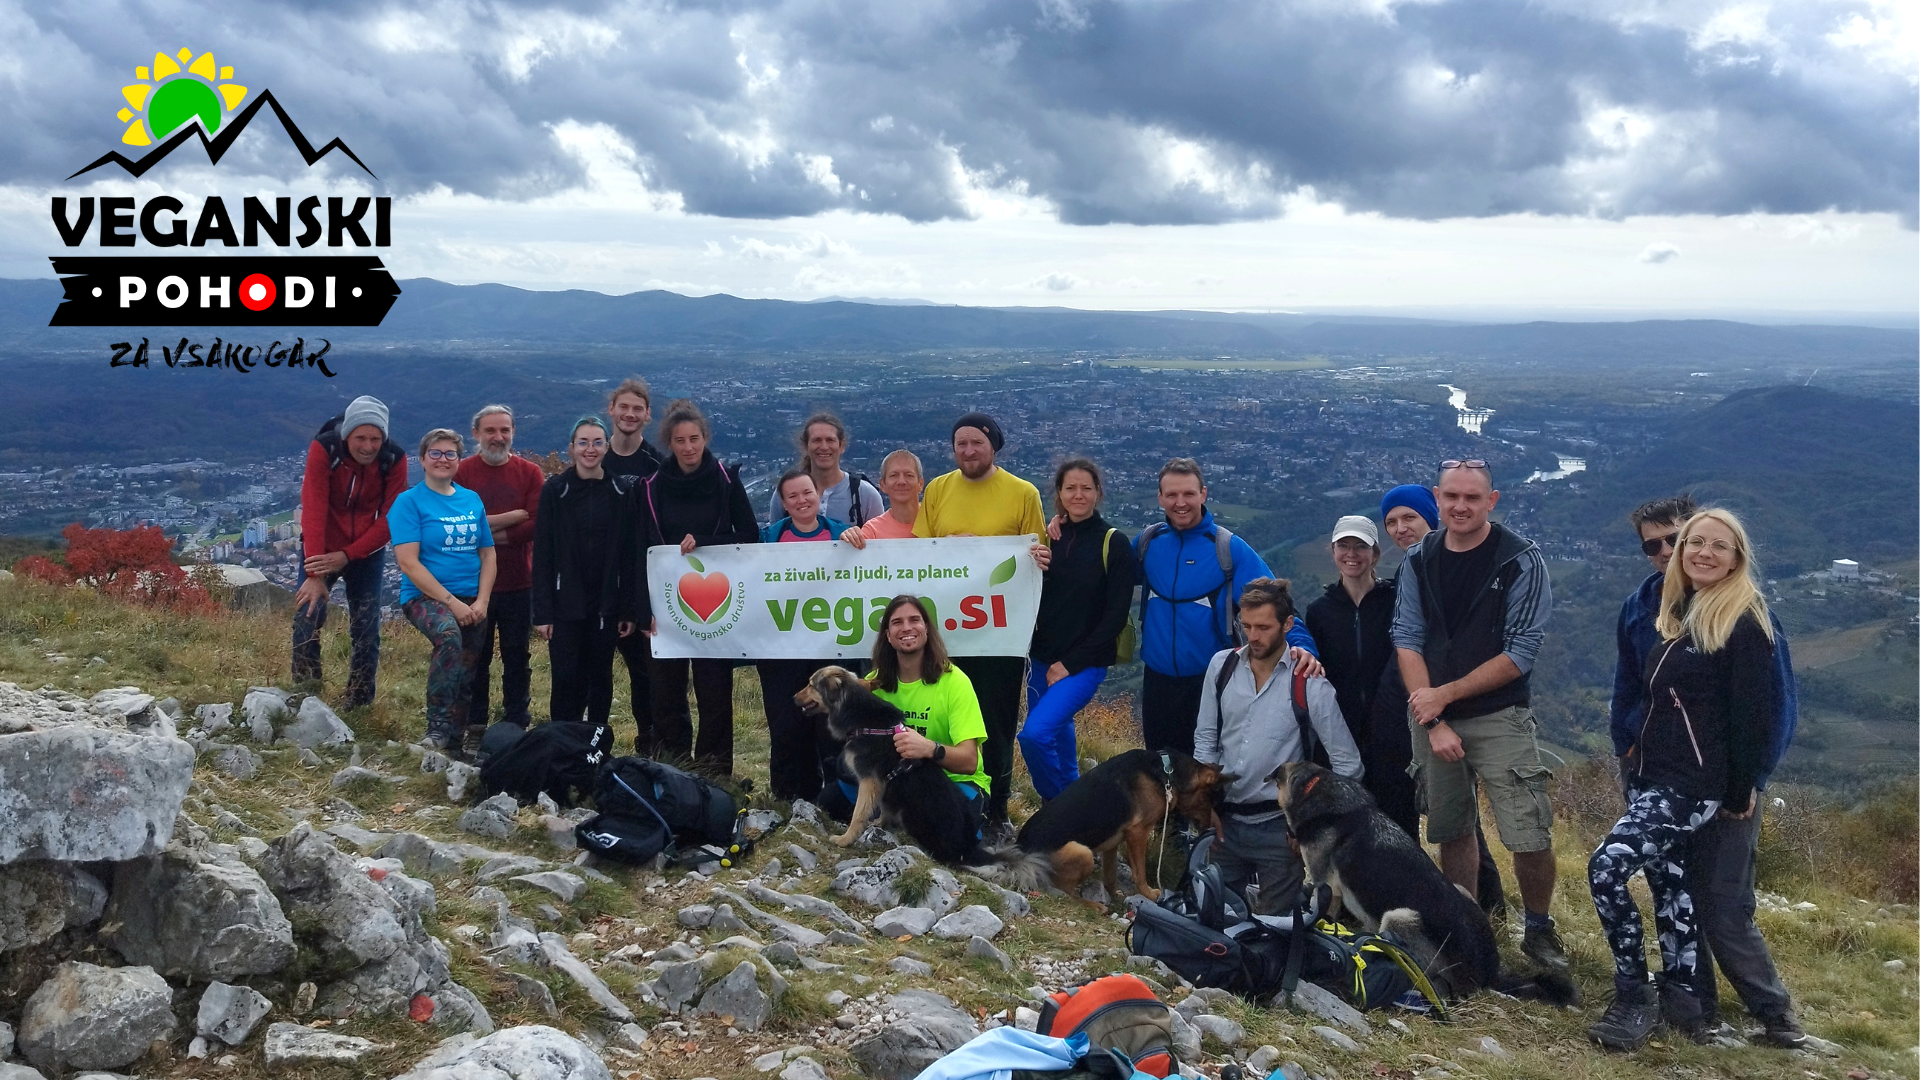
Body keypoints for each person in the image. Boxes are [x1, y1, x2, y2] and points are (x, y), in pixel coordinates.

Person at [1587, 507, 1787, 1050]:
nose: (1699, 551)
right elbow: (1633, 690)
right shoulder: (1667, 609)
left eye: (1715, 545)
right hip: (1653, 776)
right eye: (1691, 544)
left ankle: (1634, 991)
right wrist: (1627, 751)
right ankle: (1688, 1007)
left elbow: (1760, 713)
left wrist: (1745, 786)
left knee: (1609, 869)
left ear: (1737, 558)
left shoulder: (1743, 619)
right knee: (1673, 892)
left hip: (1695, 786)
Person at [1393, 460, 1565, 970]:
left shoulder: (1519, 561)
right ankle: (1465, 928)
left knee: (1528, 831)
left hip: (1498, 714)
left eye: (1472, 497)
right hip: (1431, 714)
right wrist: (1433, 718)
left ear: (1492, 500)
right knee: (1451, 827)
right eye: (1451, 497)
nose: (1460, 507)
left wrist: (1442, 697)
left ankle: (1537, 929)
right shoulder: (1419, 559)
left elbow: (1520, 653)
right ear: (1437, 497)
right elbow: (1406, 638)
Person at [1376, 484, 1511, 920]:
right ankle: (1458, 904)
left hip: (1443, 704)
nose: (1400, 529)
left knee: (1457, 815)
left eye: (1409, 519)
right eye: (1392, 522)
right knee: (1444, 812)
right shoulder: (1411, 573)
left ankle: (1484, 906)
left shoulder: (1444, 573)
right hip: (1408, 703)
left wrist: (1442, 705)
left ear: (1431, 518)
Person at [913, 411, 1049, 829]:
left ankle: (998, 808)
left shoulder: (1022, 493)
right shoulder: (937, 489)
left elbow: (1036, 555)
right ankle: (947, 797)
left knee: (996, 721)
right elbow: (919, 552)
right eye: (961, 444)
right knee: (946, 715)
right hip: (948, 631)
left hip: (999, 634)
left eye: (977, 443)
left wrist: (1042, 558)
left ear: (994, 446)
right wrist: (946, 546)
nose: (968, 451)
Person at [1195, 578, 1363, 916]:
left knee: (1275, 931)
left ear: (1288, 624)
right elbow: (1206, 739)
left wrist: (1307, 825)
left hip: (1279, 831)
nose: (1252, 637)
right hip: (1223, 823)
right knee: (1211, 920)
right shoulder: (1221, 666)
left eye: (1263, 627)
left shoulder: (1310, 685)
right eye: (1246, 626)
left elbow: (1349, 766)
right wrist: (1202, 806)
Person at [1137, 458, 1317, 757]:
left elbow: (1279, 606)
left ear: (1203, 494)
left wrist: (1303, 648)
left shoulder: (1227, 548)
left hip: (1214, 681)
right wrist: (1061, 527)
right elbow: (1101, 572)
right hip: (1157, 680)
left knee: (1209, 771)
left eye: (1188, 494)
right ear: (1160, 498)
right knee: (1161, 768)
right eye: (1171, 495)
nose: (1180, 503)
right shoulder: (1148, 543)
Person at [637, 399, 758, 777]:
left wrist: (705, 540)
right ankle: (674, 766)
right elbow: (638, 549)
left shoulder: (725, 480)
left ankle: (715, 771)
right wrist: (642, 608)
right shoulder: (653, 488)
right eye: (679, 440)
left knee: (715, 692)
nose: (688, 447)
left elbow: (749, 535)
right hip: (667, 603)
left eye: (694, 439)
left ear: (705, 438)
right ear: (668, 443)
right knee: (667, 692)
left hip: (717, 602)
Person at [1020, 458, 1137, 801]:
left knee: (1034, 735)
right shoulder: (1050, 537)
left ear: (1099, 493)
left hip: (1084, 664)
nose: (1078, 494)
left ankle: (1059, 808)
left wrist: (1070, 664)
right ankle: (1070, 795)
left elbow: (1115, 616)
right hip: (1041, 658)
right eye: (1070, 488)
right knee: (1056, 733)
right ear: (1058, 494)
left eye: (1086, 488)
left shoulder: (1113, 543)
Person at [292, 395, 406, 708]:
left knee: (367, 625)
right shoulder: (326, 450)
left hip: (365, 551)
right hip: (321, 545)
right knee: (307, 614)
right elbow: (313, 507)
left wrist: (349, 554)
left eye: (375, 439)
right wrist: (314, 573)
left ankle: (359, 701)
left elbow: (391, 517)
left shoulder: (394, 458)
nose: (369, 446)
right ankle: (306, 693)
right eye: (361, 438)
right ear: (347, 436)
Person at [389, 428, 496, 757]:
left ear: (459, 460)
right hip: (425, 598)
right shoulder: (408, 503)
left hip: (471, 598)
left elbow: (488, 554)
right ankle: (436, 728)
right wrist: (452, 604)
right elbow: (408, 563)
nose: (443, 459)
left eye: (450, 453)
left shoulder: (471, 500)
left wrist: (481, 601)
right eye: (435, 453)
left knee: (468, 668)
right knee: (448, 637)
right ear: (422, 459)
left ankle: (454, 743)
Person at [1303, 515, 1411, 831]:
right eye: (1344, 546)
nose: (1352, 554)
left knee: (1397, 822)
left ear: (1375, 554)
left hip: (1392, 729)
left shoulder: (1395, 601)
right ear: (1333, 551)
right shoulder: (1320, 611)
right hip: (1339, 731)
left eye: (1360, 547)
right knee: (1344, 827)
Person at [531, 418, 638, 730]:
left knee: (600, 677)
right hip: (565, 603)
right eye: (583, 442)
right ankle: (562, 743)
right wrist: (543, 611)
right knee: (565, 678)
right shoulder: (556, 490)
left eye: (597, 442)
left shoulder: (621, 491)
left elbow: (629, 555)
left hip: (606, 601)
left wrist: (627, 608)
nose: (590, 449)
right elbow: (543, 554)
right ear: (571, 448)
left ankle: (596, 746)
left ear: (606, 447)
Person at [757, 470, 854, 801]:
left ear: (818, 495)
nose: (801, 501)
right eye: (793, 496)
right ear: (783, 503)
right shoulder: (767, 539)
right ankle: (788, 797)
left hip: (830, 647)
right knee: (786, 725)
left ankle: (835, 796)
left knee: (831, 727)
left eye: (807, 493)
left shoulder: (842, 534)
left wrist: (857, 542)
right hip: (781, 650)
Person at [455, 404, 543, 742]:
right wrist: (511, 518)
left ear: (513, 433)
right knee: (474, 658)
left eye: (505, 430)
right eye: (490, 430)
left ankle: (516, 722)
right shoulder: (462, 473)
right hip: (472, 585)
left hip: (519, 581)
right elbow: (459, 525)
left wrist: (484, 533)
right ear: (475, 434)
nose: (498, 437)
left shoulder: (530, 473)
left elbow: (534, 524)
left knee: (517, 657)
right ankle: (474, 724)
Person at [869, 595, 991, 808]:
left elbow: (970, 761)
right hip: (900, 780)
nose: (906, 628)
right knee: (834, 796)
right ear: (888, 636)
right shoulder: (873, 684)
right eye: (897, 622)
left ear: (926, 629)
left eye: (914, 620)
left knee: (949, 824)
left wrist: (930, 749)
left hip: (956, 783)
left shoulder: (955, 682)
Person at [603, 378, 666, 742]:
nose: (629, 414)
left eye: (637, 408)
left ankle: (650, 741)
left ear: (647, 415)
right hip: (600, 580)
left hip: (644, 581)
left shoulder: (657, 464)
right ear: (611, 410)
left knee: (645, 671)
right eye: (623, 407)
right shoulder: (596, 456)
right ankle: (593, 741)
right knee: (596, 669)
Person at [767, 412, 884, 527]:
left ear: (841, 446)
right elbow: (774, 540)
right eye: (817, 440)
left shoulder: (865, 494)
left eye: (830, 440)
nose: (824, 447)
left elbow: (879, 543)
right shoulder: (785, 492)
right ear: (806, 446)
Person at [841, 449, 924, 544]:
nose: (901, 481)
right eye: (894, 475)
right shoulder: (872, 531)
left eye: (909, 475)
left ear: (920, 484)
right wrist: (848, 540)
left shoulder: (935, 521)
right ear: (883, 484)